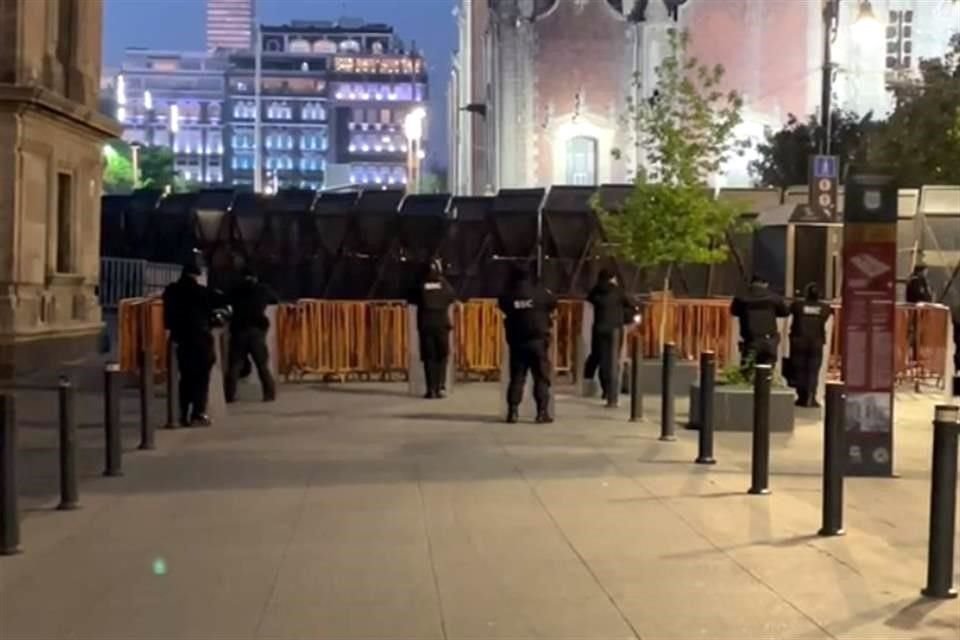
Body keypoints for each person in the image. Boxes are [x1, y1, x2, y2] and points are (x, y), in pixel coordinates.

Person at [162, 261, 226, 426]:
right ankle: (198, 413)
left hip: (181, 339)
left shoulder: (171, 291)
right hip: (200, 339)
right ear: (197, 276)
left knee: (185, 378)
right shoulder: (202, 292)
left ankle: (182, 413)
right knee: (201, 378)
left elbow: (168, 316)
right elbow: (219, 303)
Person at [498, 264, 558, 424]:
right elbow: (553, 302)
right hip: (538, 341)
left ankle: (513, 412)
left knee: (517, 378)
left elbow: (502, 305)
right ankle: (542, 412)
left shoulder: (508, 295)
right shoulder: (540, 293)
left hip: (517, 342)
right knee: (541, 377)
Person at [224, 267, 279, 404]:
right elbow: (275, 299)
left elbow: (224, 300)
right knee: (262, 365)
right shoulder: (262, 289)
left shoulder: (235, 289)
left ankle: (229, 395)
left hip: (239, 330)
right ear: (255, 277)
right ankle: (269, 394)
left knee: (235, 366)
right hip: (256, 331)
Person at [584, 269, 637, 406]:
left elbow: (590, 300)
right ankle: (612, 392)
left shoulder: (595, 291)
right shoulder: (618, 291)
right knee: (613, 359)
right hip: (615, 329)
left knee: (602, 358)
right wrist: (628, 318)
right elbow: (631, 305)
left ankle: (605, 389)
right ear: (612, 278)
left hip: (599, 328)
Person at [407, 261, 456, 399]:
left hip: (425, 325)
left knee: (429, 357)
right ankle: (440, 386)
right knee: (442, 356)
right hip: (442, 325)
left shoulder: (420, 285)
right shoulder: (444, 285)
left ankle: (431, 389)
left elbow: (411, 297)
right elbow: (451, 296)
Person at [788, 283, 833, 408]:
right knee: (813, 370)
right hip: (816, 342)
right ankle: (811, 396)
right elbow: (827, 316)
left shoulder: (797, 305)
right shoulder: (825, 308)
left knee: (799, 369)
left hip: (799, 341)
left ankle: (801, 397)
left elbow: (788, 311)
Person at [730, 276, 789, 369]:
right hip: (769, 340)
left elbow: (734, 311)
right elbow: (785, 312)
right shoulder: (774, 297)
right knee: (766, 373)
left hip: (750, 340)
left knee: (748, 371)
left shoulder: (741, 297)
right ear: (765, 284)